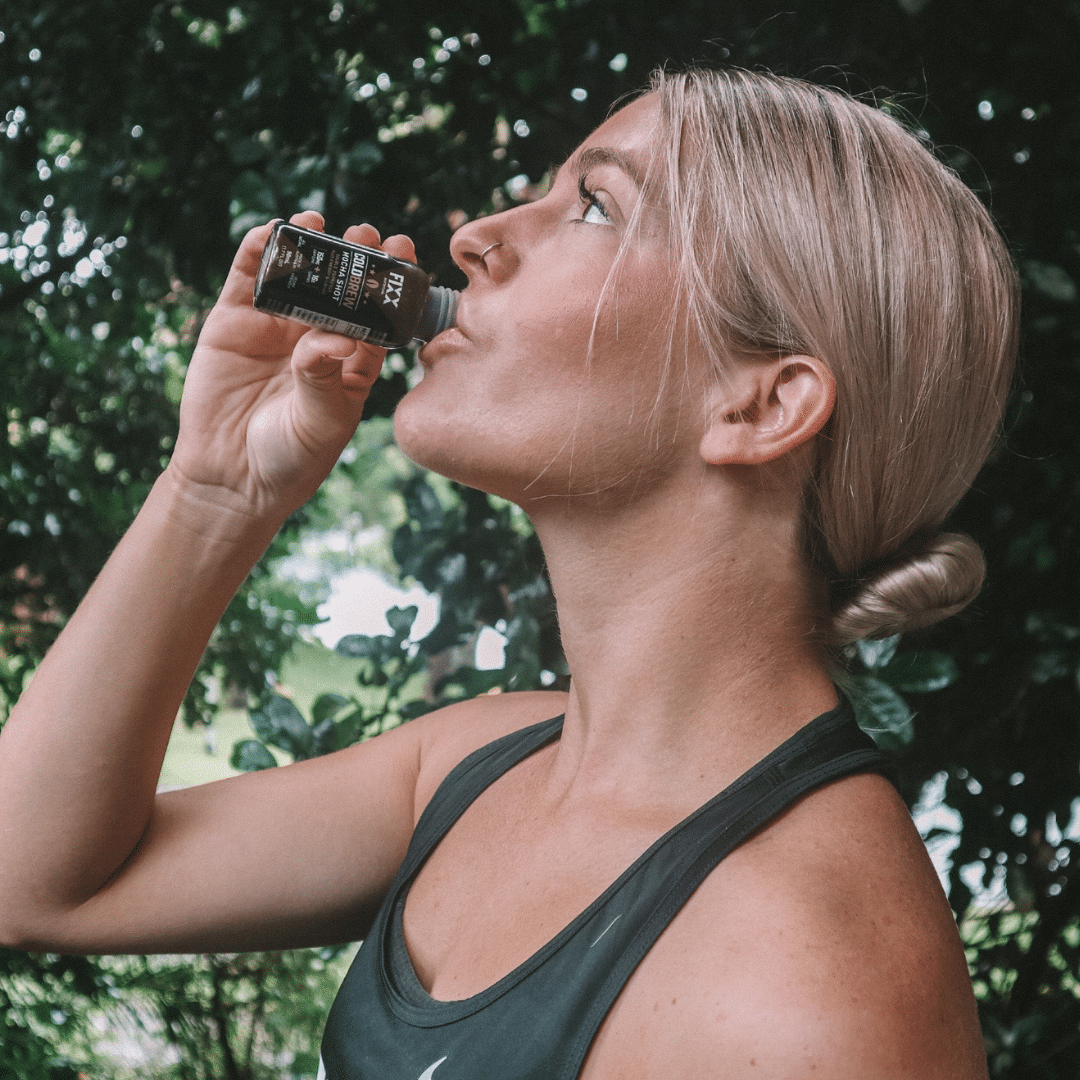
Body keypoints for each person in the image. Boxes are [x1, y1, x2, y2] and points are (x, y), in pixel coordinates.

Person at [0, 67, 1018, 1078]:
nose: (476, 237)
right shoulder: (480, 765)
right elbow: (33, 882)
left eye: (592, 205)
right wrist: (215, 491)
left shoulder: (804, 1000)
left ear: (760, 406)